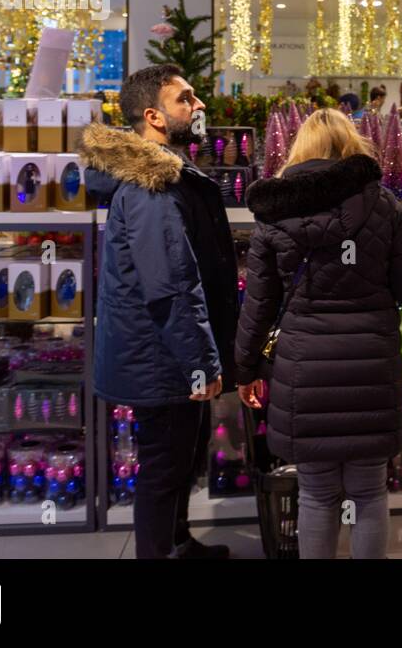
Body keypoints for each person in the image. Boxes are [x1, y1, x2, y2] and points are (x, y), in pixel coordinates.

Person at [234, 108, 402, 559]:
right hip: (372, 368)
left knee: (317, 495)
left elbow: (259, 303)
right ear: (351, 148)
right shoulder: (383, 205)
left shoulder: (273, 215)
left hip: (304, 374)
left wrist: (244, 368)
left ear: (299, 150)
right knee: (368, 494)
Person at [80, 64, 239, 559]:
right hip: (162, 357)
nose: (199, 107)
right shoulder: (153, 186)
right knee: (163, 469)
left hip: (166, 352)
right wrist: (200, 362)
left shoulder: (164, 173)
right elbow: (169, 285)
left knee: (181, 460)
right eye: (185, 99)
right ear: (153, 116)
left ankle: (178, 542)